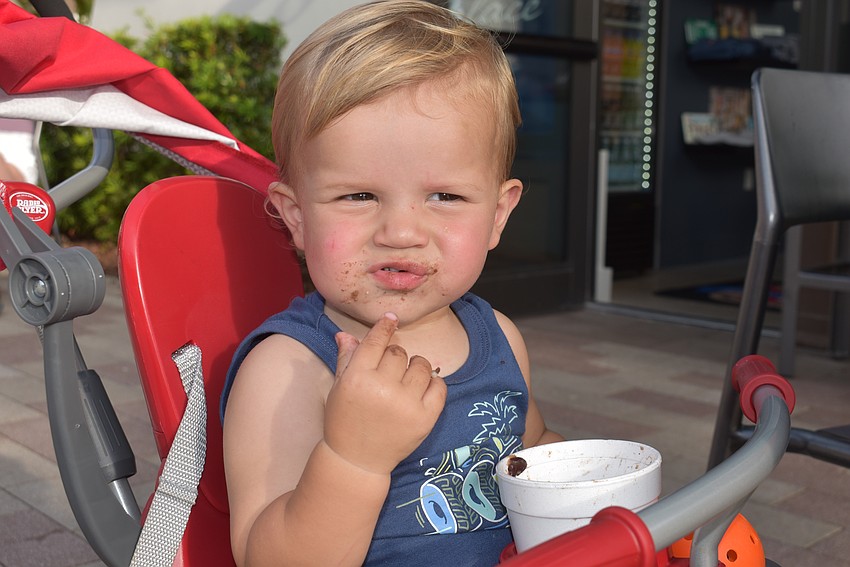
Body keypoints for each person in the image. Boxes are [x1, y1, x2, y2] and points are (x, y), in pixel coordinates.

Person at [220, 2, 563, 565]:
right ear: (297, 217)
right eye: (359, 196)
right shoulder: (289, 369)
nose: (402, 231)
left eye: (445, 196)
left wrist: (583, 479)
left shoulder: (499, 336)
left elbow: (530, 449)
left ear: (498, 215)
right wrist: (353, 458)